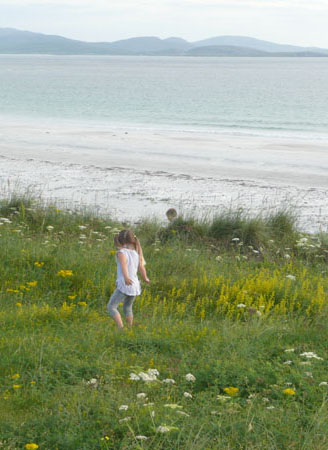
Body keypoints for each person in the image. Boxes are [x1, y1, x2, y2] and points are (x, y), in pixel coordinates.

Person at [107, 229, 149, 328]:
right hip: (135, 285)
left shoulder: (121, 252)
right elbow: (141, 267)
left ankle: (121, 329)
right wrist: (145, 278)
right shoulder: (136, 253)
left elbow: (124, 266)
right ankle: (130, 327)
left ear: (120, 240)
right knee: (127, 307)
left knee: (111, 307)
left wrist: (126, 277)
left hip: (125, 284)